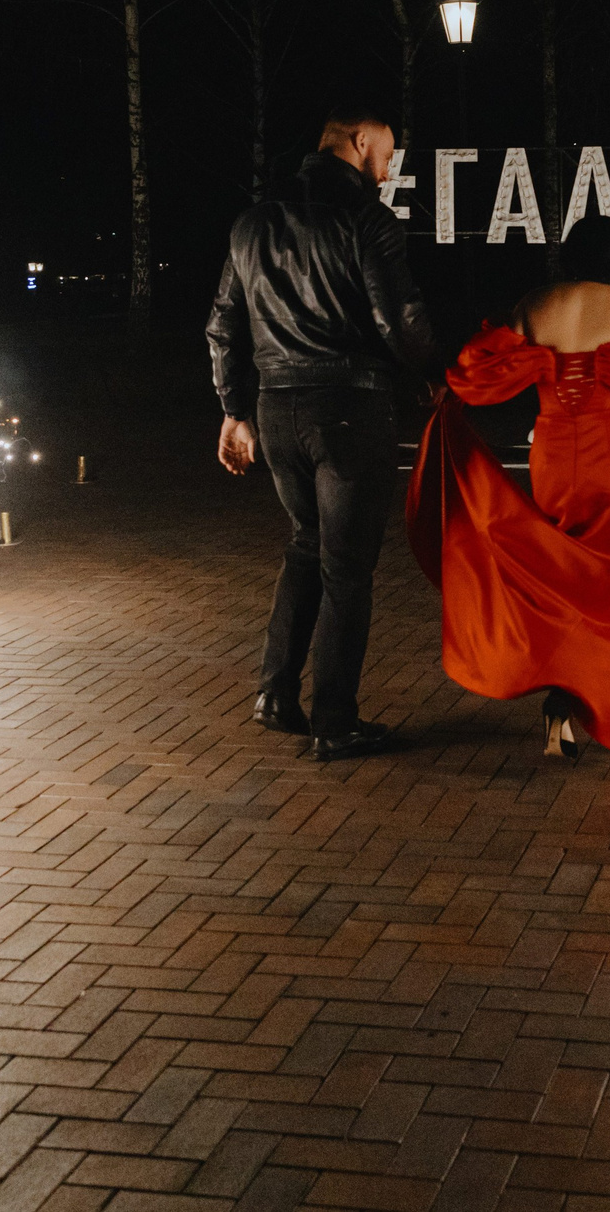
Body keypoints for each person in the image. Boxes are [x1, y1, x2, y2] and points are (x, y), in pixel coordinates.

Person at [405, 216, 610, 759]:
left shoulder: (535, 304)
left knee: (565, 583)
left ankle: (561, 713)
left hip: (556, 452)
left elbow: (482, 368)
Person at [207, 105, 441, 762]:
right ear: (360, 141)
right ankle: (334, 719)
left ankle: (275, 694)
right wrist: (430, 372)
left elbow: (223, 326)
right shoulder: (366, 218)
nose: (389, 168)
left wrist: (234, 410)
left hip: (276, 407)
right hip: (348, 407)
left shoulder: (253, 221)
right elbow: (401, 319)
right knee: (346, 567)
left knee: (306, 546)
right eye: (388, 153)